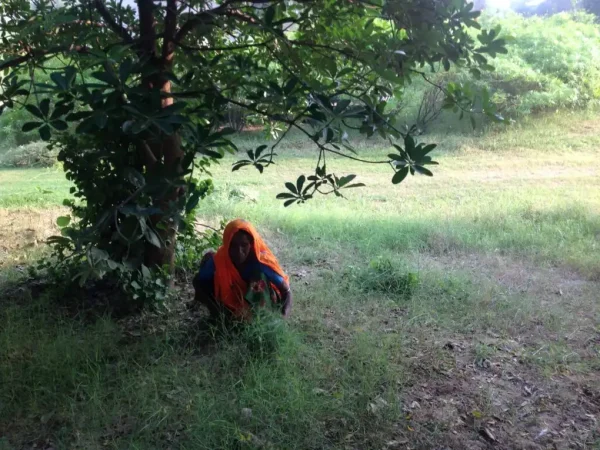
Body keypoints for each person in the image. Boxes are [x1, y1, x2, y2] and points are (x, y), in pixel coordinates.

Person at [193, 219, 292, 320]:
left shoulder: (260, 262)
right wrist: (214, 309)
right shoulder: (220, 260)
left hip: (260, 302)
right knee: (209, 263)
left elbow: (286, 291)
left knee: (258, 278)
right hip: (231, 302)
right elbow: (199, 281)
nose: (239, 252)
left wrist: (283, 316)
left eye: (244, 245)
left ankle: (256, 319)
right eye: (233, 245)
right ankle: (225, 317)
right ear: (227, 244)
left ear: (251, 244)